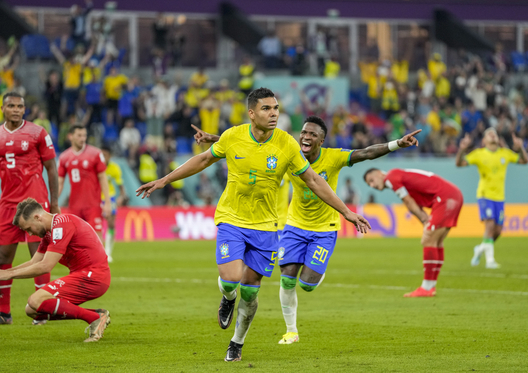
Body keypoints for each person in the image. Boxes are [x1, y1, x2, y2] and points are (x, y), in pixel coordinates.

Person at [136, 88, 370, 362]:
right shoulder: (233, 136)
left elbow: (315, 181)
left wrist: (346, 212)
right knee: (232, 280)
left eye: (276, 108)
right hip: (232, 219)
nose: (273, 114)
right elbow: (203, 159)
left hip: (266, 226)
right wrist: (164, 180)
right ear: (251, 113)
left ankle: (237, 342)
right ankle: (227, 297)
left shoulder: (286, 144)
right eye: (266, 109)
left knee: (250, 291)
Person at [193, 116, 420, 345]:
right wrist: (212, 139)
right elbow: (251, 142)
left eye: (312, 134)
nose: (306, 137)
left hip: (324, 228)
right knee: (287, 279)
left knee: (307, 284)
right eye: (304, 133)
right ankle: (291, 331)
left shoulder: (334, 157)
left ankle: (317, 270)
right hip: (294, 226)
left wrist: (397, 144)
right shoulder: (291, 153)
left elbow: (367, 152)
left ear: (321, 141)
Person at [0, 198, 111, 342]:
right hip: (84, 276)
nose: (30, 234)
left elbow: (46, 266)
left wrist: (9, 275)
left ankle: (94, 318)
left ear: (37, 217)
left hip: (93, 276)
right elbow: (34, 262)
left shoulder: (62, 225)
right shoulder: (50, 232)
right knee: (31, 310)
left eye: (28, 228)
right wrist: (3, 273)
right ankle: (96, 315)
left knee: (36, 300)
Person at [0, 92, 59, 326]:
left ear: (25, 109)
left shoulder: (38, 133)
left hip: (35, 204)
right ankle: (4, 313)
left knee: (39, 256)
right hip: (7, 205)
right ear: (2, 109)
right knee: (2, 256)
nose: (16, 109)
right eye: (11, 105)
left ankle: (42, 311)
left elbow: (51, 168)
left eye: (20, 106)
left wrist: (54, 203)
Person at [363, 167, 463, 297]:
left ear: (379, 173)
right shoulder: (399, 175)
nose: (372, 185)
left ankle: (426, 287)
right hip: (452, 194)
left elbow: (408, 202)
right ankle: (430, 286)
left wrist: (424, 220)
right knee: (436, 242)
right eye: (369, 184)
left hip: (444, 197)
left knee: (428, 240)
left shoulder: (391, 178)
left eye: (372, 180)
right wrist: (425, 220)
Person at [455, 128, 528, 268]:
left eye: (494, 133)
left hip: (499, 197)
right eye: (489, 133)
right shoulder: (479, 154)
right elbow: (459, 164)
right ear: (484, 140)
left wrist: (521, 148)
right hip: (484, 195)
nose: (493, 135)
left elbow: (524, 161)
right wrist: (462, 150)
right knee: (489, 226)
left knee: (498, 231)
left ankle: (480, 249)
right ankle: (490, 261)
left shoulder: (505, 154)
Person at [58, 125, 111, 239]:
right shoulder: (64, 157)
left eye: (84, 135)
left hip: (93, 204)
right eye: (79, 135)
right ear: (70, 136)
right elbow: (60, 182)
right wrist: (53, 201)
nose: (82, 138)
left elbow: (103, 178)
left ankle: (99, 258)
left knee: (96, 238)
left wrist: (107, 202)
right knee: (74, 238)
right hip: (74, 206)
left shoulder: (95, 153)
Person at [100, 145, 127, 262]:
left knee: (111, 224)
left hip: (109, 198)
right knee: (95, 225)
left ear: (109, 156)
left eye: (105, 155)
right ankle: (98, 251)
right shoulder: (95, 166)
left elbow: (121, 186)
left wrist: (121, 197)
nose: (103, 157)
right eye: (101, 155)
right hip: (95, 198)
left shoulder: (114, 168)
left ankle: (108, 252)